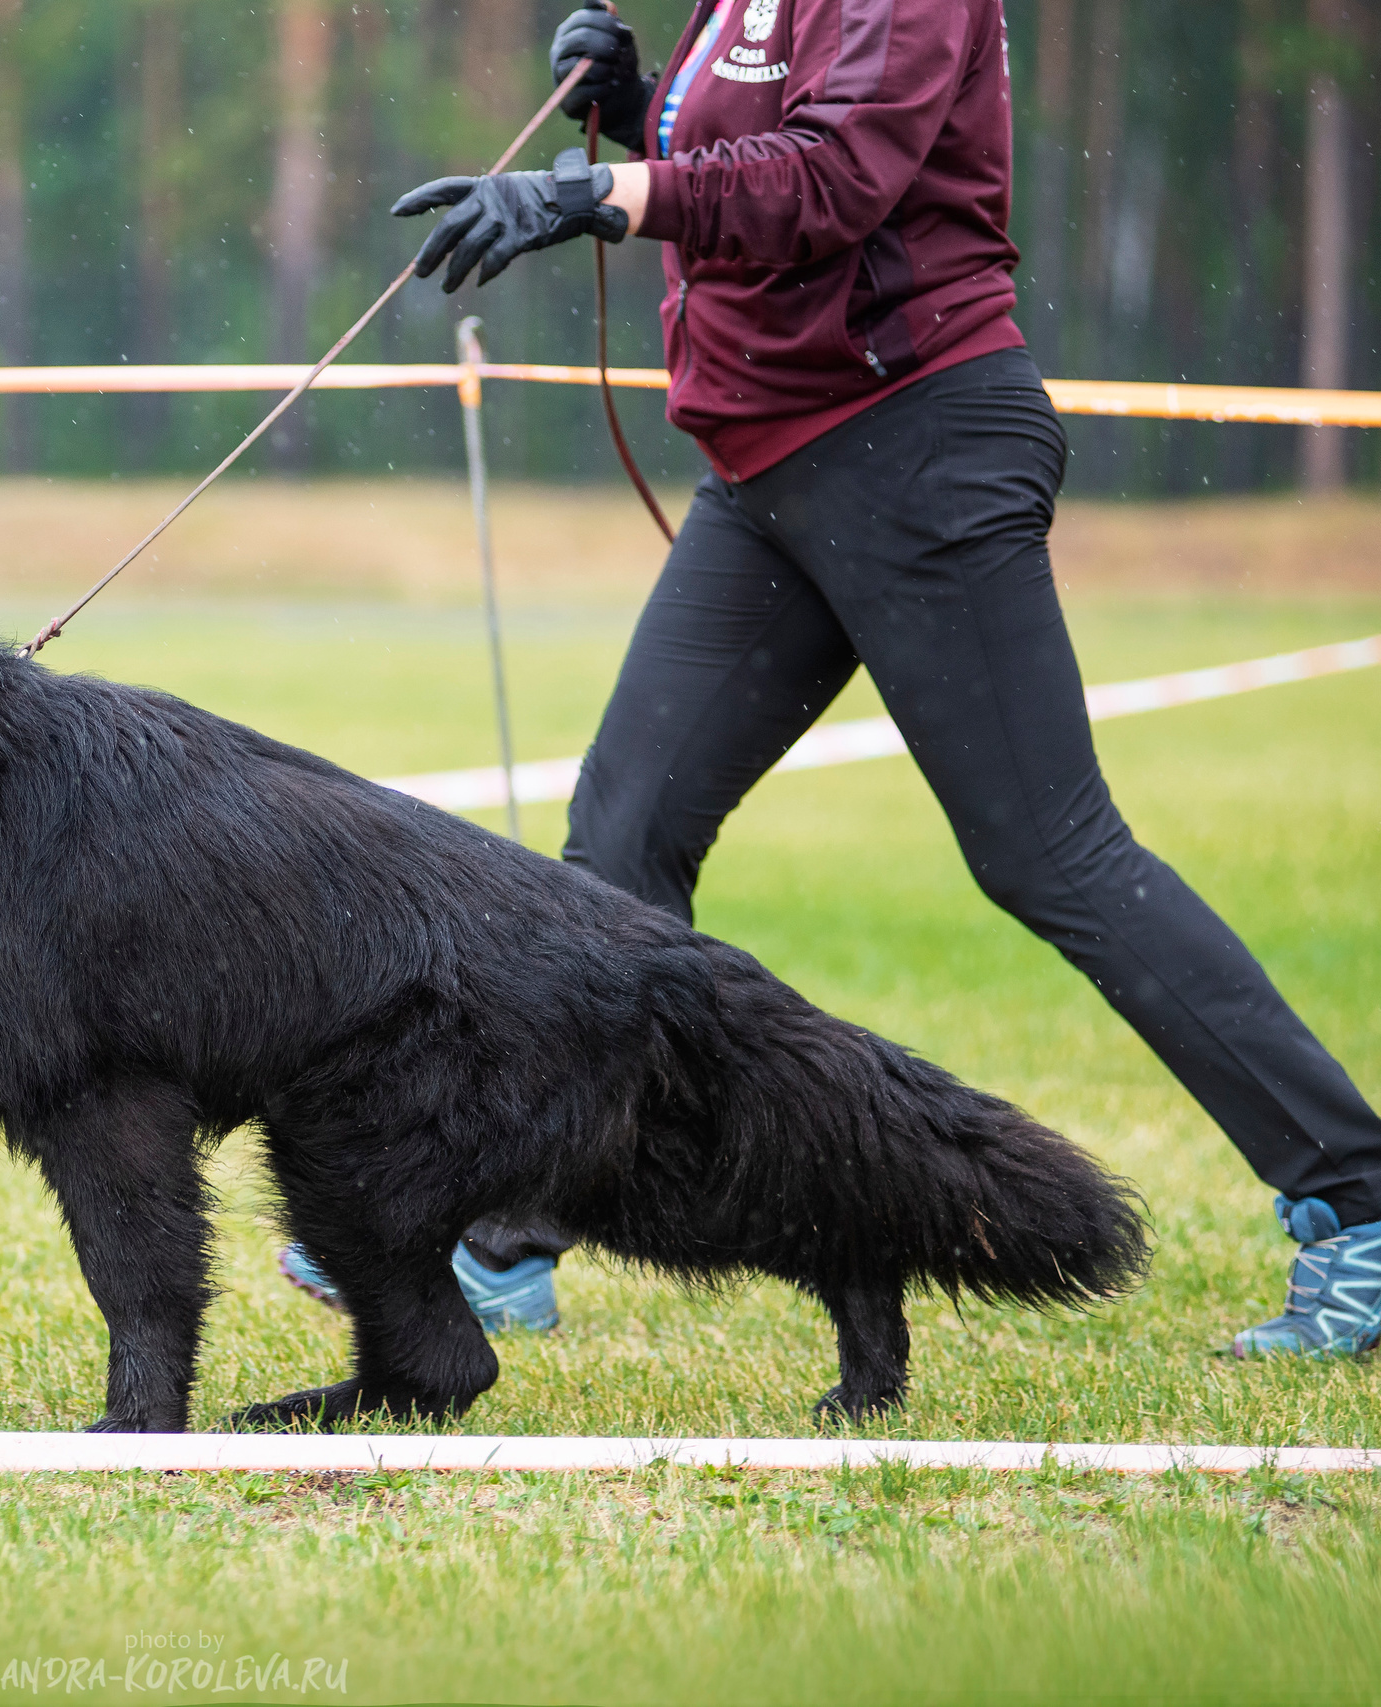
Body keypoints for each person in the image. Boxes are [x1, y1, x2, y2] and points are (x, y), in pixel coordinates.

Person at [281, 0, 1381, 1360]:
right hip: (767, 477)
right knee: (624, 832)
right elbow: (745, 139)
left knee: (1054, 858)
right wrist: (634, 112)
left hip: (915, 446)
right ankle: (504, 1233)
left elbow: (832, 178)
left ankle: (1362, 1202)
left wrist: (584, 196)